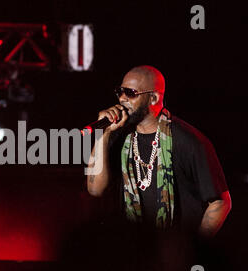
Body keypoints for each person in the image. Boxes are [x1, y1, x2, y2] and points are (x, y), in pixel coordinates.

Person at [87, 65, 231, 238]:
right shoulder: (119, 137)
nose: (122, 99)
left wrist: (194, 250)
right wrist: (104, 133)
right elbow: (95, 190)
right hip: (135, 253)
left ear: (153, 98)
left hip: (175, 255)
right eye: (120, 91)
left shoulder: (187, 140)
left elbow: (221, 203)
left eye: (131, 93)